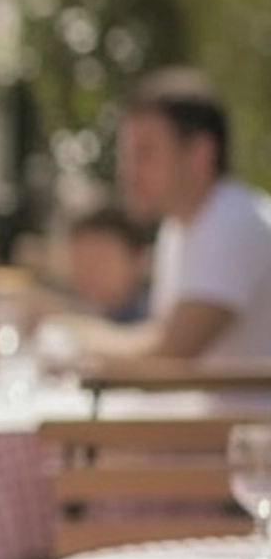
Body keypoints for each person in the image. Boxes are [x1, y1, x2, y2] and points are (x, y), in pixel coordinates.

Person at [80, 66, 271, 359]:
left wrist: (67, 339)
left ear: (200, 153)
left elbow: (170, 354)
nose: (129, 172)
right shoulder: (179, 226)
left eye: (145, 153)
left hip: (242, 407)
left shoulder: (235, 221)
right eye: (127, 156)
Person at [59, 202, 153, 325]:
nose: (88, 272)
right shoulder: (92, 313)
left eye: (100, 260)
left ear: (139, 261)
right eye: (80, 261)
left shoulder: (155, 320)